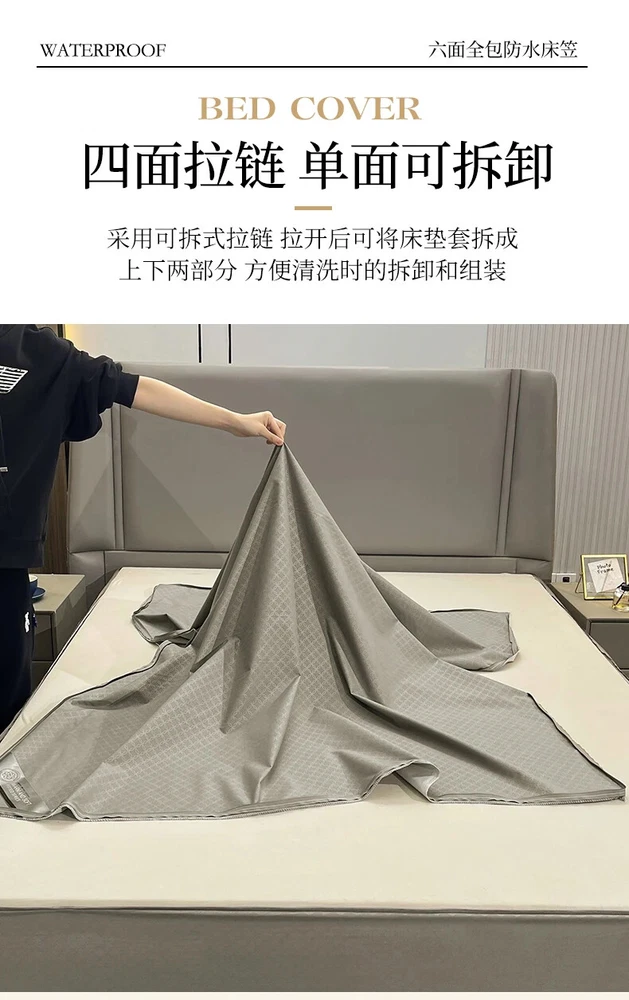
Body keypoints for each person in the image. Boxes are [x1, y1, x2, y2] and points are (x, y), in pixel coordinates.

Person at [0, 324, 286, 733]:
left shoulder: (38, 353)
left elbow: (134, 389)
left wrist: (234, 421)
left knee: (7, 710)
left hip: (5, 569)